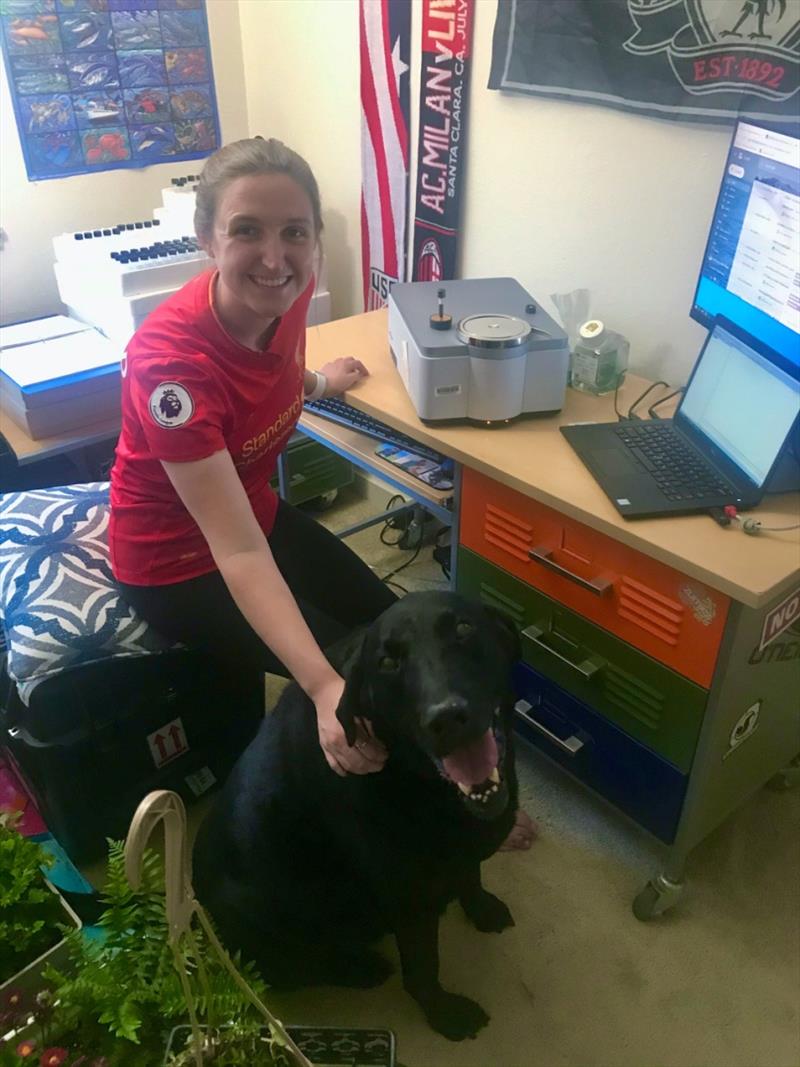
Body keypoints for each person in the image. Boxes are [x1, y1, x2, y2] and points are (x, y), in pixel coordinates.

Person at [110, 136, 395, 777]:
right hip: (174, 560)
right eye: (247, 231)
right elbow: (236, 552)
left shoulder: (289, 289)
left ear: (315, 237)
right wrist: (323, 687)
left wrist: (322, 383)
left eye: (295, 232)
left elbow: (273, 371)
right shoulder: (172, 370)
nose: (275, 258)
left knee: (392, 625)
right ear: (207, 239)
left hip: (252, 512)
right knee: (352, 672)